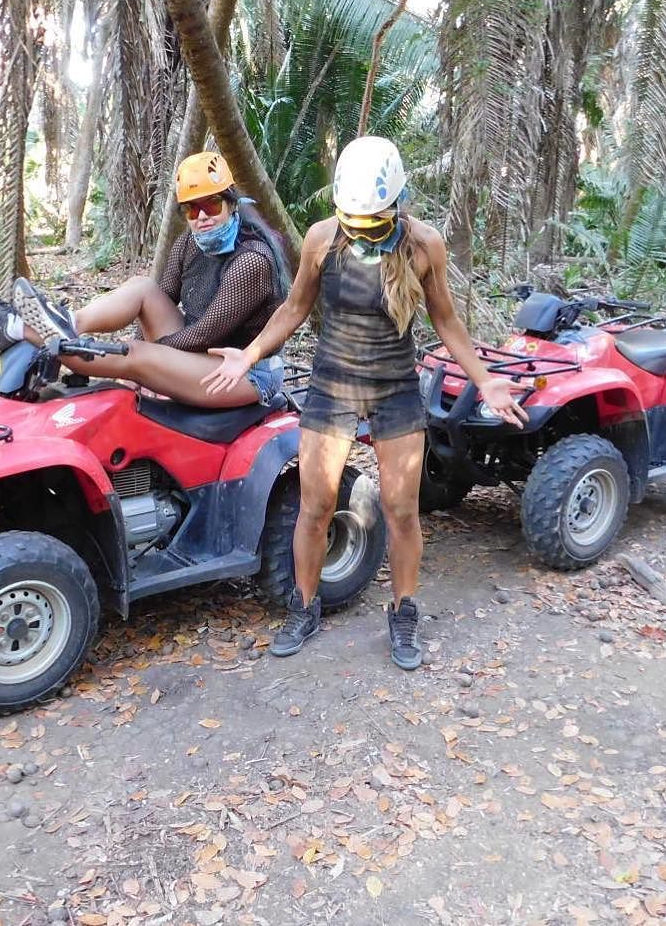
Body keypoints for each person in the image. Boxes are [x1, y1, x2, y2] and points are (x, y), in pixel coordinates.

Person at [204, 136, 528, 669]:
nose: (362, 232)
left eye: (374, 222)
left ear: (398, 203)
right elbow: (293, 308)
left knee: (401, 510)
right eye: (354, 222)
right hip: (332, 384)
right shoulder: (321, 238)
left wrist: (486, 379)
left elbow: (446, 321)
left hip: (395, 387)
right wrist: (251, 353)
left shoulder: (424, 245)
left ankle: (403, 611)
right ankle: (304, 606)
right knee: (315, 507)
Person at [0, 152, 286, 408]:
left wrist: (147, 360)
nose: (202, 217)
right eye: (192, 210)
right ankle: (67, 323)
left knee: (134, 355)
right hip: (201, 353)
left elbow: (203, 335)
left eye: (211, 205)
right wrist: (150, 355)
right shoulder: (189, 244)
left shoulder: (251, 261)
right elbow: (159, 299)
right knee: (141, 287)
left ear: (231, 203)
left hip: (242, 370)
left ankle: (21, 330)